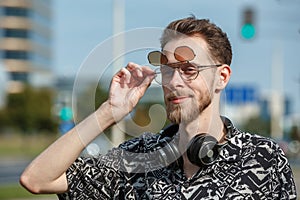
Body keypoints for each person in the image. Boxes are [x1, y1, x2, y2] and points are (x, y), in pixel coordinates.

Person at [20, 16, 297, 199]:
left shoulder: (265, 158)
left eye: (189, 69)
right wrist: (110, 111)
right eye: (167, 69)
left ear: (221, 77)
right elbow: (37, 179)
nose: (174, 81)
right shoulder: (136, 157)